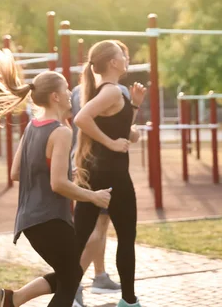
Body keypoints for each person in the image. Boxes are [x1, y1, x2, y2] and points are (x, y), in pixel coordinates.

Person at [0, 48, 112, 307]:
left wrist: (54, 169)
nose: (72, 94)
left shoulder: (32, 126)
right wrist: (93, 196)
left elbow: (17, 172)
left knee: (68, 274)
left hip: (29, 220)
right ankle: (13, 301)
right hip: (50, 219)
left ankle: (13, 300)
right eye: (68, 89)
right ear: (56, 96)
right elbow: (57, 184)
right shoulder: (60, 132)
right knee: (71, 279)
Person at [73, 40, 147, 307]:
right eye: (123, 55)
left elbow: (122, 129)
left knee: (79, 239)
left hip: (98, 173)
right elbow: (81, 118)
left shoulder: (114, 93)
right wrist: (110, 143)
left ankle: (65, 293)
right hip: (112, 177)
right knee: (126, 239)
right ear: (114, 63)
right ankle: (128, 301)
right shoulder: (112, 91)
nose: (126, 58)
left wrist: (135, 107)